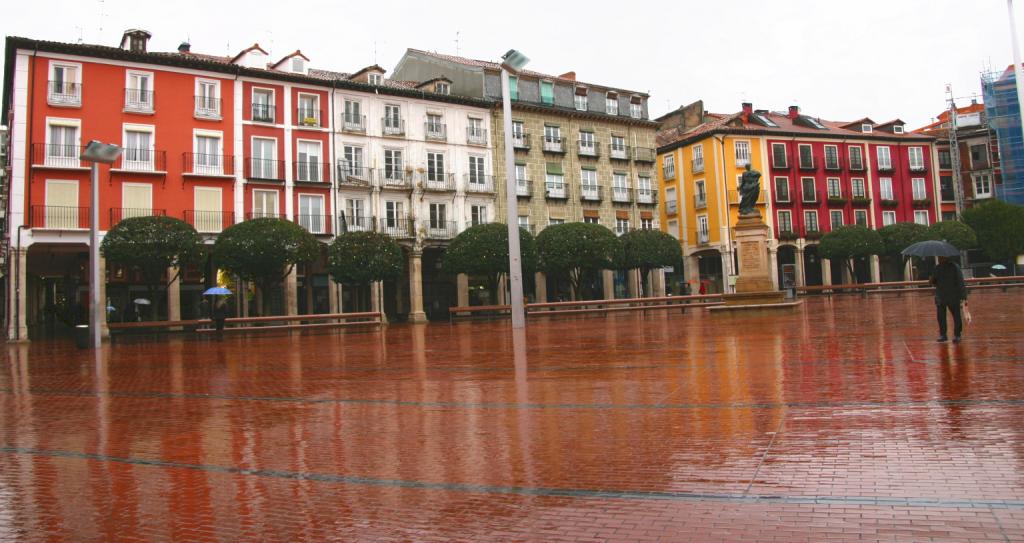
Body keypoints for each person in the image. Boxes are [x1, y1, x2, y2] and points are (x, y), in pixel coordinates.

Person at [929, 256, 968, 343]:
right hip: (941, 296)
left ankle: (957, 335)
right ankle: (943, 335)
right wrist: (931, 278)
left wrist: (963, 296)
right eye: (939, 257)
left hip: (953, 296)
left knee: (956, 316)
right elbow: (933, 282)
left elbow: (960, 281)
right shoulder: (937, 268)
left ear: (946, 257)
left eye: (941, 257)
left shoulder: (954, 267)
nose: (939, 258)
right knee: (941, 317)